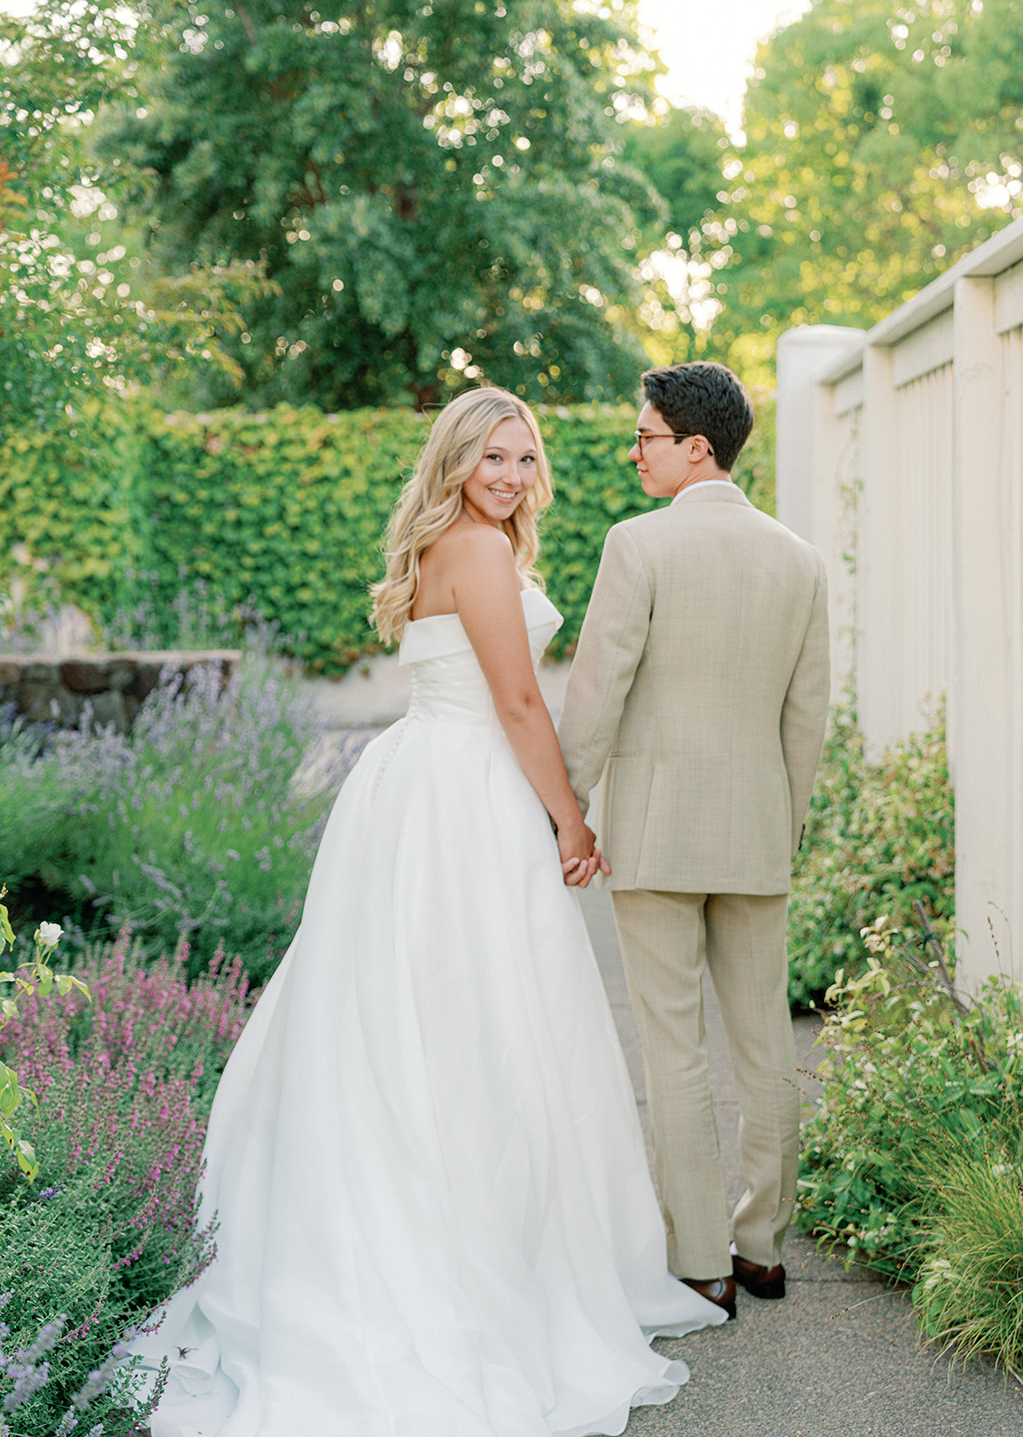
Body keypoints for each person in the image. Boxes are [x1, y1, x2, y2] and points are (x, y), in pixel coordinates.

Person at [130, 385, 726, 1437]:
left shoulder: (451, 543)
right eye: (491, 457)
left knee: (416, 1017)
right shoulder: (481, 551)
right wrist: (571, 822)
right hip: (463, 795)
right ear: (453, 462)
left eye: (522, 458)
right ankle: (460, 1257)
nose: (509, 474)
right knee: (477, 1022)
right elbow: (513, 701)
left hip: (413, 787)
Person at [558, 361, 830, 1320]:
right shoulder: (797, 558)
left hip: (657, 836)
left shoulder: (636, 547)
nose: (633, 452)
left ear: (695, 446)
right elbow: (809, 718)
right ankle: (761, 1247)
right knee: (764, 1048)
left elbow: (596, 694)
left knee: (672, 1049)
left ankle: (698, 1257)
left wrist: (568, 808)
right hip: (755, 832)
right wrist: (779, 824)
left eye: (644, 437)